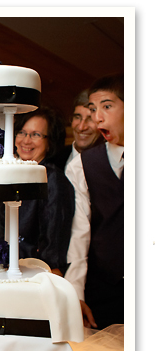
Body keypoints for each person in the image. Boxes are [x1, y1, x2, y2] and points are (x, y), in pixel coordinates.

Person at [65, 74, 124, 330]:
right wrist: (74, 292)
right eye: (92, 109)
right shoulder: (82, 164)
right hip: (102, 290)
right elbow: (79, 234)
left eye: (107, 107)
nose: (97, 117)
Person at [4, 107, 75, 276]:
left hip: (37, 273)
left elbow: (53, 242)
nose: (26, 141)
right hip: (9, 268)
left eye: (36, 135)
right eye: (22, 132)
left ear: (50, 143)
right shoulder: (9, 173)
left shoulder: (52, 179)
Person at [52, 90, 104, 172]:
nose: (81, 127)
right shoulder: (54, 160)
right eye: (77, 117)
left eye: (90, 119)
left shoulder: (113, 162)